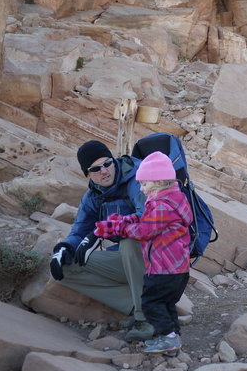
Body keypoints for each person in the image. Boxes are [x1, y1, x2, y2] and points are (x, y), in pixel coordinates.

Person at [49, 140, 152, 342]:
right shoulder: (93, 196)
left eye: (107, 163)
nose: (104, 171)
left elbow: (147, 220)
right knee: (65, 267)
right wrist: (64, 248)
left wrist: (102, 231)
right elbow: (80, 229)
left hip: (158, 258)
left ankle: (148, 316)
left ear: (114, 161)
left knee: (130, 242)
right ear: (87, 175)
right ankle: (138, 302)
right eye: (95, 169)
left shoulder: (138, 178)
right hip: (129, 262)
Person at [94, 151, 193, 355]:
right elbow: (146, 222)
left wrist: (120, 228)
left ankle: (168, 338)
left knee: (151, 303)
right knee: (166, 304)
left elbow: (145, 231)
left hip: (164, 269)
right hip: (178, 269)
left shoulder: (161, 206)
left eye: (144, 184)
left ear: (158, 182)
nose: (141, 189)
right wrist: (125, 220)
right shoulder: (175, 199)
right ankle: (172, 339)